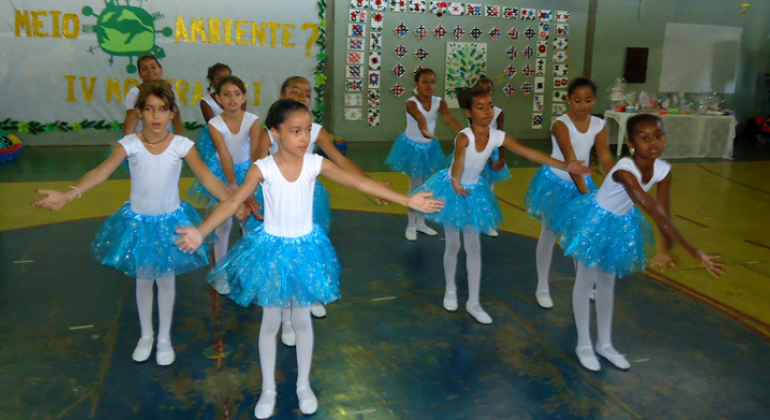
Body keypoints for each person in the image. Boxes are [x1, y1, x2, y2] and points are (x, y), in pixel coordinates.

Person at [175, 99, 444, 418]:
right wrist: (202, 231)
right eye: (295, 131)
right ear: (274, 133)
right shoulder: (264, 168)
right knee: (271, 321)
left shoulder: (315, 164)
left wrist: (407, 199)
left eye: (306, 131)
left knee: (302, 320)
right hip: (272, 251)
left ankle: (303, 384)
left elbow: (357, 181)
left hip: (305, 249)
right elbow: (234, 200)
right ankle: (268, 389)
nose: (304, 138)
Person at [33, 81, 237, 365]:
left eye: (163, 110)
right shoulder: (129, 144)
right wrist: (68, 195)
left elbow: (207, 178)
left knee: (165, 281)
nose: (156, 116)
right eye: (149, 109)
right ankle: (146, 335)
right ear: (139, 111)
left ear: (171, 113)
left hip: (171, 223)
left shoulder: (182, 145)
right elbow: (101, 171)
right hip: (139, 224)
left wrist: (235, 199)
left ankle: (164, 337)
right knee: (143, 280)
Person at [549, 114, 724, 371]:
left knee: (608, 284)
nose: (653, 142)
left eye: (658, 135)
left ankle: (605, 345)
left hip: (620, 223)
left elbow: (664, 210)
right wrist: (693, 251)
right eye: (644, 138)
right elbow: (651, 209)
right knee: (585, 282)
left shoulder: (664, 170)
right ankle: (584, 344)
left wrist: (667, 249)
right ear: (631, 144)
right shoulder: (624, 171)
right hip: (594, 221)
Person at [414, 88, 591, 324]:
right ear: (469, 112)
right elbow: (458, 161)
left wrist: (566, 166)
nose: (488, 111)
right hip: (452, 189)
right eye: (480, 107)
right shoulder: (464, 136)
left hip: (474, 190)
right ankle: (450, 290)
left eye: (490, 106)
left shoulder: (497, 136)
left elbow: (530, 153)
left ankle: (474, 302)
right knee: (453, 244)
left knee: (474, 247)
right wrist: (455, 180)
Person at [524, 77, 615, 308]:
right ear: (568, 100)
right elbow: (571, 160)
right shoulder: (560, 124)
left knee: (581, 235)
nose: (583, 105)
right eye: (577, 100)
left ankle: (582, 285)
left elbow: (604, 156)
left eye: (588, 100)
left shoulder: (599, 124)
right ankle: (542, 286)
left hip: (584, 183)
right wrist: (585, 194)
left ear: (595, 100)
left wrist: (616, 180)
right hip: (557, 183)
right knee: (549, 232)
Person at [187, 76, 261, 266]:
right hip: (222, 173)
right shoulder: (214, 124)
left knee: (248, 220)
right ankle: (220, 270)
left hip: (248, 171)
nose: (232, 98)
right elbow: (225, 154)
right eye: (226, 94)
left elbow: (254, 152)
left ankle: (248, 267)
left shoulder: (252, 120)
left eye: (237, 93)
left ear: (244, 97)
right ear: (218, 99)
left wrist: (250, 184)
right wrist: (231, 183)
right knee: (223, 222)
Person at [385, 68, 463, 241]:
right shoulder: (411, 103)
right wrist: (424, 130)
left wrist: (464, 133)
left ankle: (421, 223)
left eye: (432, 81)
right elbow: (420, 117)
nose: (429, 85)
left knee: (427, 186)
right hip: (412, 148)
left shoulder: (439, 102)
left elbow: (448, 118)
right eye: (425, 81)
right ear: (416, 84)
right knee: (415, 186)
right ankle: (411, 225)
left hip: (430, 148)